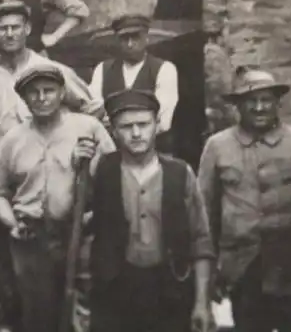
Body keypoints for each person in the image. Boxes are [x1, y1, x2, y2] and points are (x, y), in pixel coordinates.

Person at [0, 0, 101, 329]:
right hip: (5, 169)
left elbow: (92, 108)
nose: (9, 34)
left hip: (59, 168)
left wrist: (78, 140)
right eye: (1, 29)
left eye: (15, 27)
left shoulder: (51, 69)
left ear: (27, 29)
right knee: (12, 271)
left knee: (64, 279)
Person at [0, 60, 114, 332]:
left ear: (61, 92)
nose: (42, 98)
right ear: (24, 98)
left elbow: (114, 180)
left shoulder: (88, 128)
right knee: (37, 313)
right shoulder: (13, 139)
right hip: (30, 236)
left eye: (49, 90)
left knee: (82, 311)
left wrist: (88, 164)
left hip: (80, 234)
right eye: (34, 92)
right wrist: (12, 224)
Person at [197, 67, 291, 332]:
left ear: (278, 103)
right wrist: (210, 273)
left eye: (266, 100)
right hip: (242, 268)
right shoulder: (218, 146)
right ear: (238, 106)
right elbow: (204, 214)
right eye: (251, 101)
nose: (260, 107)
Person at [89, 89, 214, 332]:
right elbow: (80, 228)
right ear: (113, 131)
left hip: (170, 292)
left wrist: (201, 303)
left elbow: (201, 240)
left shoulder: (180, 173)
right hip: (114, 293)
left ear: (157, 125)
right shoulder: (101, 170)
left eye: (143, 124)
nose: (136, 133)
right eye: (126, 127)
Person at [90, 14, 180, 154]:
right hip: (111, 149)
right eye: (124, 39)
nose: (130, 44)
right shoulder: (103, 69)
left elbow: (164, 120)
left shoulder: (164, 69)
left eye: (135, 37)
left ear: (146, 38)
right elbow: (94, 110)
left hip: (153, 151)